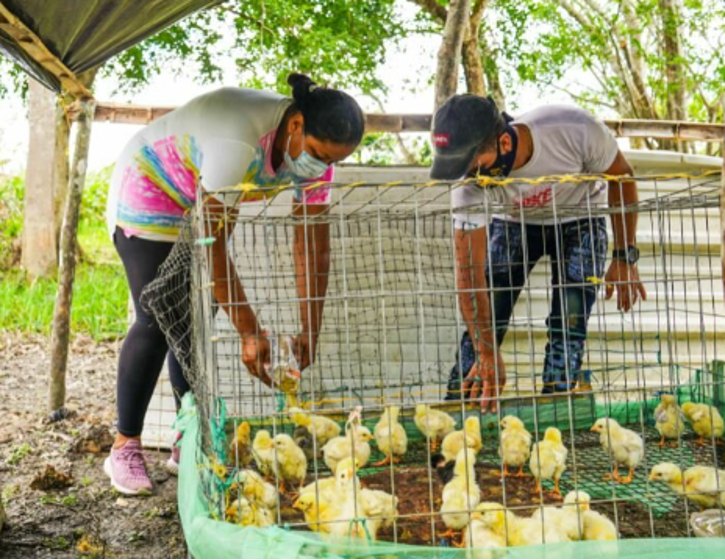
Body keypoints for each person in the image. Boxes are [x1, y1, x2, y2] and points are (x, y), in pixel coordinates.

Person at [104, 74, 365, 495]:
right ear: (296, 124)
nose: (321, 167)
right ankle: (124, 445)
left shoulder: (317, 160)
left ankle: (186, 438)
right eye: (317, 154)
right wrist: (250, 330)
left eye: (332, 160)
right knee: (160, 316)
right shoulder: (239, 140)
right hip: (152, 187)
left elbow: (312, 246)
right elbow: (214, 244)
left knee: (198, 321)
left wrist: (309, 331)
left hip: (202, 198)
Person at [431, 95, 647, 413]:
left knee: (569, 324)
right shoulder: (468, 187)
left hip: (581, 215)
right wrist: (487, 353)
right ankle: (455, 412)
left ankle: (554, 412)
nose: (468, 177)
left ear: (504, 142)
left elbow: (622, 177)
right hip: (514, 221)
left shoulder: (573, 128)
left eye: (473, 165)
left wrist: (623, 255)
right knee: (487, 317)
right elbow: (470, 276)